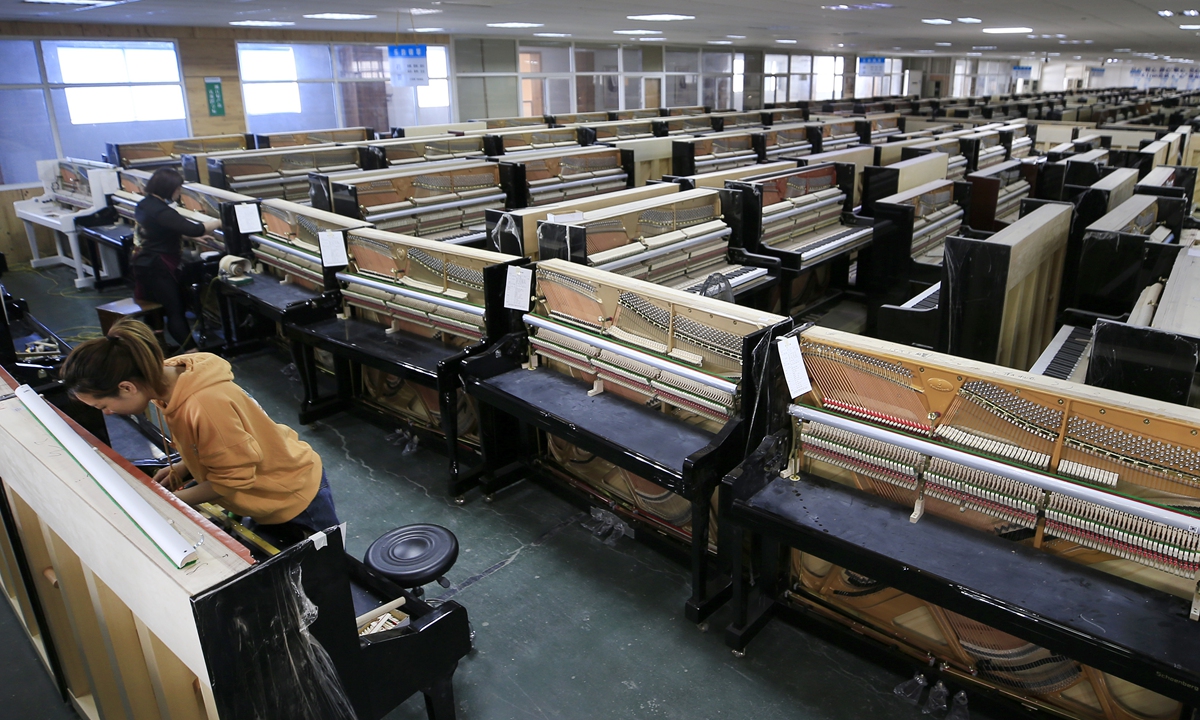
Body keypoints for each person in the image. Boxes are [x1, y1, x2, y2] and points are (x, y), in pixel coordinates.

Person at [61, 318, 339, 544]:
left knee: (327, 574)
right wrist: (183, 468)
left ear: (126, 387)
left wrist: (166, 501)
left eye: (103, 405)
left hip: (292, 495)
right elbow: (214, 444)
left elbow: (234, 480)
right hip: (265, 485)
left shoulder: (204, 404)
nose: (106, 413)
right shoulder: (167, 376)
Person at [133, 167, 221, 350]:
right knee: (175, 311)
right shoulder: (162, 211)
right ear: (168, 188)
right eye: (178, 188)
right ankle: (193, 352)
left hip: (144, 263)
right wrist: (223, 219)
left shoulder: (145, 204)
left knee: (160, 308)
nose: (179, 192)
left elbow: (158, 230)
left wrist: (188, 237)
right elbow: (195, 228)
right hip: (158, 266)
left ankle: (157, 348)